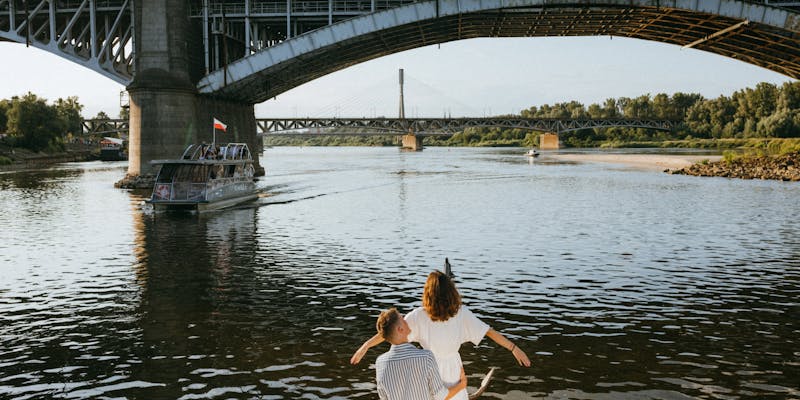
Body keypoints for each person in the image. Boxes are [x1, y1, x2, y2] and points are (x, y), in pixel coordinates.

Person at [352, 270, 531, 400]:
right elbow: (489, 332)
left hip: (427, 369)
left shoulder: (418, 315)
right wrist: (514, 348)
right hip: (452, 369)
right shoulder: (461, 314)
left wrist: (366, 346)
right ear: (451, 293)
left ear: (428, 295)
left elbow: (390, 331)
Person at [374, 308, 467, 400]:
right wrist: (461, 385)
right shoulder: (426, 357)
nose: (407, 322)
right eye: (403, 320)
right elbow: (440, 396)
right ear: (400, 329)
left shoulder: (380, 363)